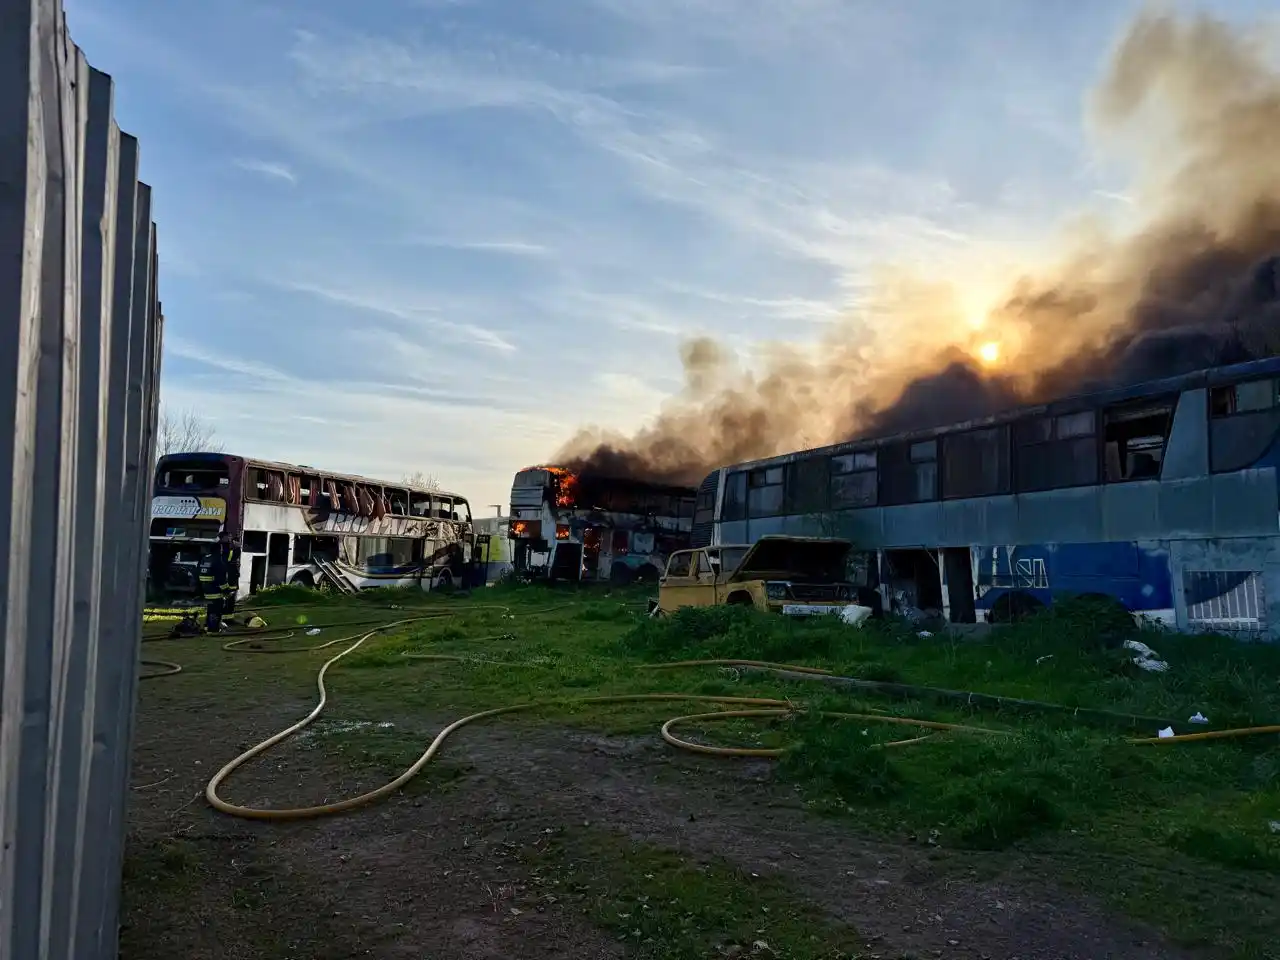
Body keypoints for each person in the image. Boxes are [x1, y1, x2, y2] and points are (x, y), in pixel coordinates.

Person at [197, 541, 228, 633]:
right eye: (221, 549)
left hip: (206, 590)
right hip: (215, 591)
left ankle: (208, 626)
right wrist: (226, 590)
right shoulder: (218, 560)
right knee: (216, 610)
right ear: (218, 550)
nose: (222, 551)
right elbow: (221, 579)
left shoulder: (204, 559)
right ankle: (213, 629)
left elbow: (198, 574)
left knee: (210, 609)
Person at [219, 531, 241, 617]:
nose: (230, 538)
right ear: (224, 537)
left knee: (229, 599)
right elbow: (229, 559)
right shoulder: (224, 547)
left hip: (230, 575)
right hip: (230, 576)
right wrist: (238, 548)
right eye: (229, 536)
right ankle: (227, 615)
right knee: (229, 598)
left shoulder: (223, 546)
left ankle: (228, 615)